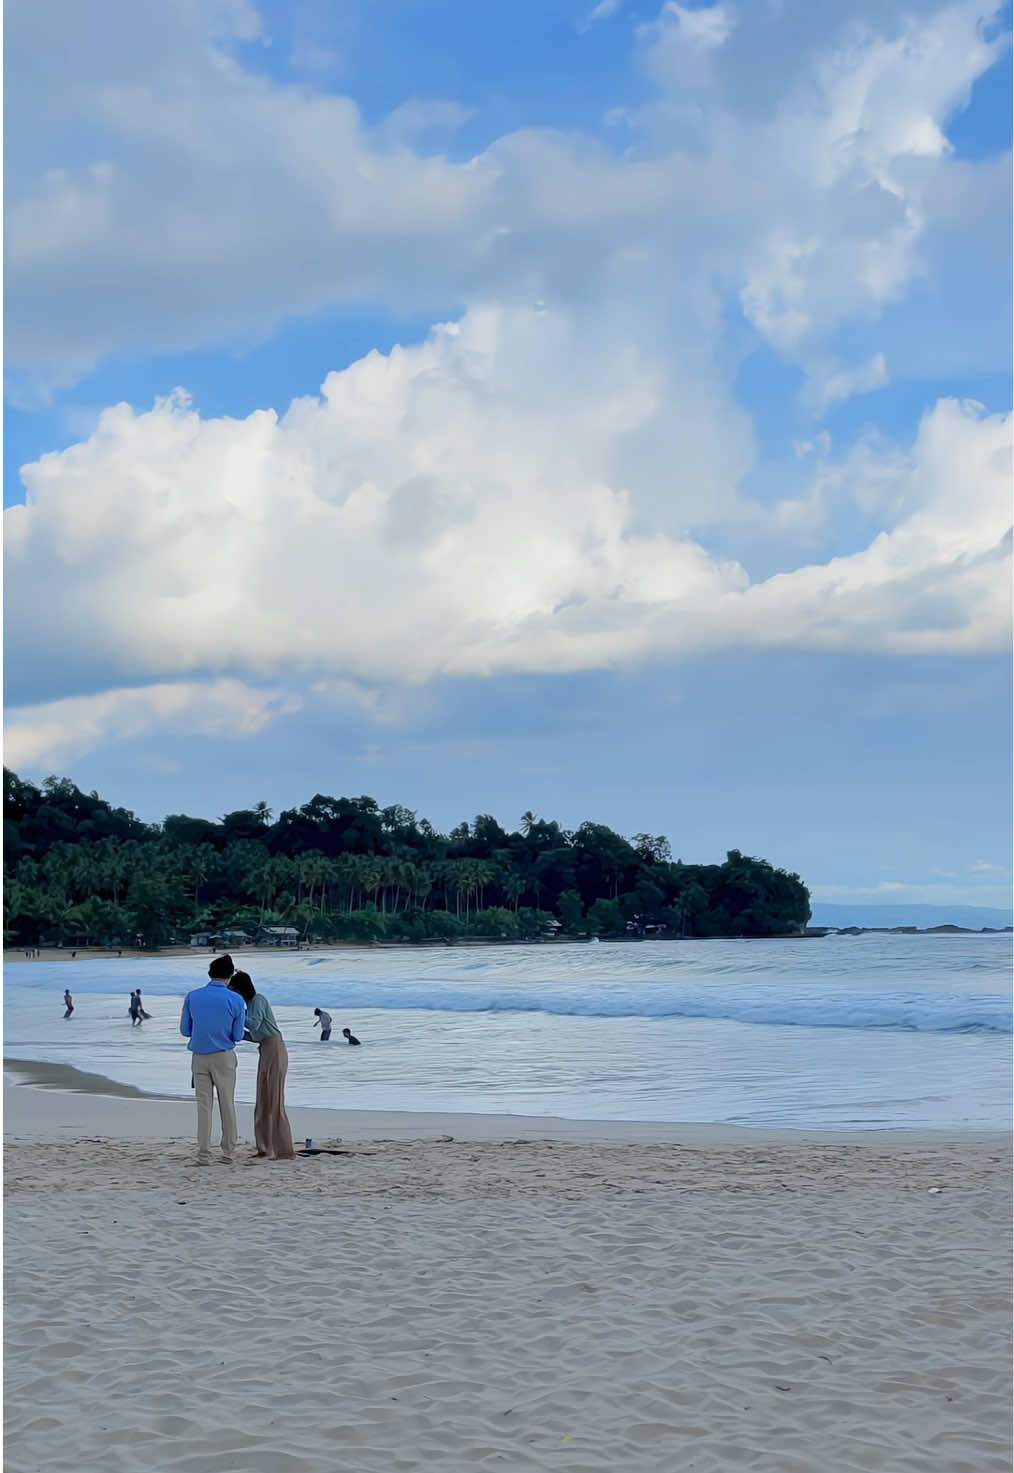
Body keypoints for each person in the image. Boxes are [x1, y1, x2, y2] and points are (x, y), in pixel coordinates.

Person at [179, 954, 246, 1166]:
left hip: (199, 1057)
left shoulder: (192, 996)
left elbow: (185, 1030)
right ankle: (227, 1152)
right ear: (230, 975)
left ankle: (204, 1153)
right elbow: (237, 1035)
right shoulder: (236, 999)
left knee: (204, 1106)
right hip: (224, 1056)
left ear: (210, 973)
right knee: (227, 1103)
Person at [228, 971, 294, 1160]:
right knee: (263, 1100)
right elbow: (251, 1034)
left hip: (274, 1048)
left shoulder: (258, 1000)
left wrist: (234, 1016)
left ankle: (282, 1150)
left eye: (232, 989)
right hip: (264, 1048)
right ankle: (264, 1148)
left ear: (240, 988)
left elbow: (254, 1025)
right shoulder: (247, 1005)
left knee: (274, 1099)